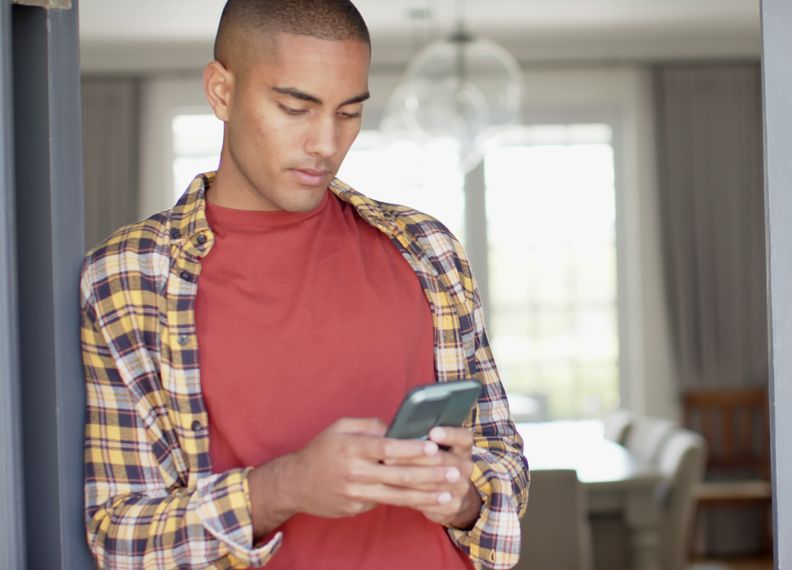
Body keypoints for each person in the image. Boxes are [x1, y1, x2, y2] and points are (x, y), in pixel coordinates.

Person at [78, 0, 528, 567]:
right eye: (296, 107)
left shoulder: (427, 249)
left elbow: (503, 458)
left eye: (349, 113)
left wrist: (462, 496)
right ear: (221, 91)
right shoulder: (127, 279)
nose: (326, 143)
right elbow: (118, 538)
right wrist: (284, 488)